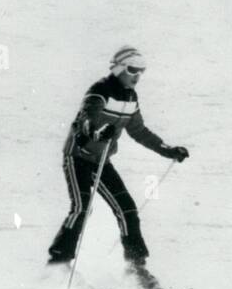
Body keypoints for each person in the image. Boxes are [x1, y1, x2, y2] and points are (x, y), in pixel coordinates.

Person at [48, 46, 189, 277]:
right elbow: (84, 121)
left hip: (102, 161)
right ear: (120, 68)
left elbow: (139, 131)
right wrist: (96, 132)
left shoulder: (131, 98)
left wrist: (168, 150)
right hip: (78, 157)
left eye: (142, 71)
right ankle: (57, 265)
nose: (137, 76)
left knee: (128, 210)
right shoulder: (99, 91)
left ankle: (136, 269)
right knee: (81, 208)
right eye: (133, 69)